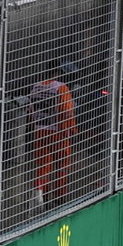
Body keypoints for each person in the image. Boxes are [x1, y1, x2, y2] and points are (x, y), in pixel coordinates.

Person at [29, 63, 77, 207]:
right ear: (58, 73)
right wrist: (73, 131)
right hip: (59, 132)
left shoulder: (35, 88)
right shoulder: (61, 88)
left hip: (40, 131)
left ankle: (40, 196)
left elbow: (31, 111)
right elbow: (67, 112)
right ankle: (59, 197)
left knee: (43, 165)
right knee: (62, 165)